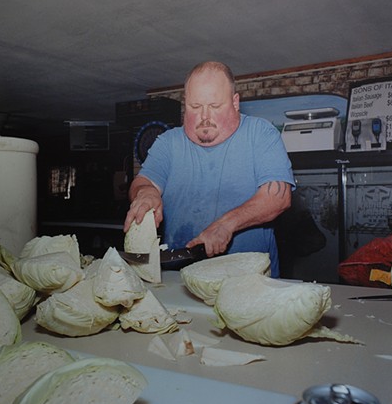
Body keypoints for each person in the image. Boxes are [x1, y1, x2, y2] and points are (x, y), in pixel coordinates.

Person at [123, 61, 295, 277]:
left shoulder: (261, 134)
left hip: (250, 281)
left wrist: (225, 225)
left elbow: (278, 198)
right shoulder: (168, 142)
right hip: (177, 279)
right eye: (195, 107)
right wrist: (145, 194)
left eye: (214, 106)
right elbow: (144, 182)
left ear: (235, 102)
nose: (205, 116)